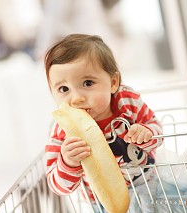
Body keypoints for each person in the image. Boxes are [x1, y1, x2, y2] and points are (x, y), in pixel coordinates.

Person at [44, 33, 163, 212]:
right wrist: (68, 162)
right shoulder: (62, 131)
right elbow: (57, 186)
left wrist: (146, 133)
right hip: (104, 203)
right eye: (63, 89)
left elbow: (157, 131)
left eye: (88, 83)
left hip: (151, 185)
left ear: (113, 82)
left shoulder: (127, 102)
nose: (76, 98)